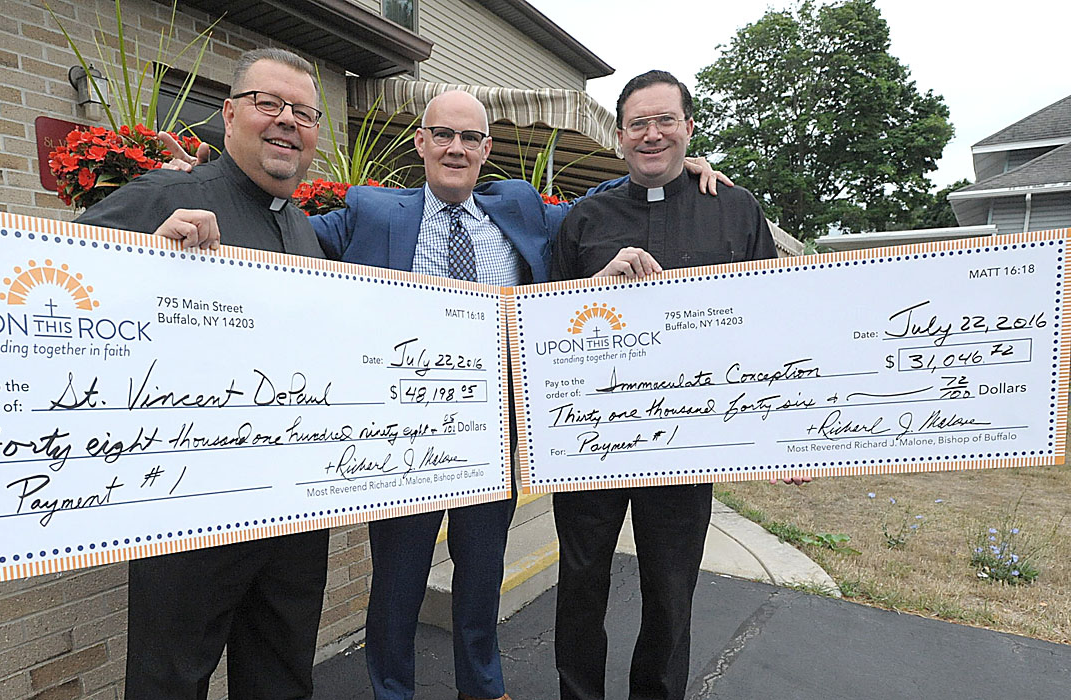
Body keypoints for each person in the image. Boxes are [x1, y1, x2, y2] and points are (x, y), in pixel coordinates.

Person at [158, 88, 729, 700]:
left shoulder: (520, 208)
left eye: (470, 138)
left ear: (486, 150)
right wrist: (205, 192)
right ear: (422, 143)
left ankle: (482, 689)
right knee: (398, 587)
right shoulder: (371, 211)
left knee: (481, 583)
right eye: (444, 135)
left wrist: (677, 168)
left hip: (492, 438)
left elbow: (599, 208)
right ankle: (392, 691)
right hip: (401, 442)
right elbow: (279, 234)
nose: (456, 148)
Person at [74, 47, 330, 700]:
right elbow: (51, 286)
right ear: (228, 113)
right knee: (169, 683)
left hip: (293, 516)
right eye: (268, 103)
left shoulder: (305, 230)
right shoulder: (166, 197)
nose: (286, 122)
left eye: (302, 112)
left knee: (283, 676)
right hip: (190, 514)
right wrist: (141, 264)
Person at [549, 70, 802, 700]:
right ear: (619, 135)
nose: (653, 134)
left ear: (690, 127)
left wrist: (782, 435)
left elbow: (766, 326)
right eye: (639, 123)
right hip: (591, 442)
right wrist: (595, 286)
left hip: (686, 447)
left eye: (667, 120)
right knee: (581, 586)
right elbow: (549, 323)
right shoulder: (584, 218)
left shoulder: (736, 209)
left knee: (670, 591)